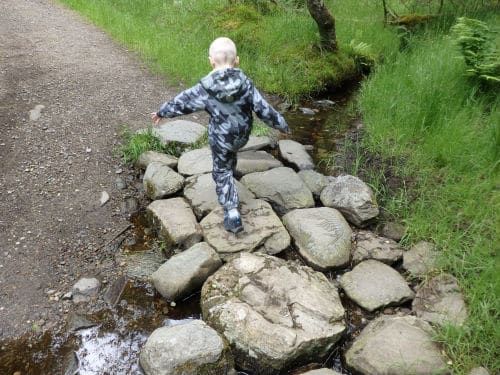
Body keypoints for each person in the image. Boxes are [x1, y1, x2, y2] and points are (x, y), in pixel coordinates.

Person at [152, 37, 290, 234]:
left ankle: (232, 213)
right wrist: (281, 125)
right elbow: (263, 108)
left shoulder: (206, 88)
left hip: (221, 138)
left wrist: (162, 111)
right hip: (242, 136)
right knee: (230, 156)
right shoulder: (246, 84)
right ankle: (230, 170)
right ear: (237, 61)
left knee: (221, 170)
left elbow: (183, 101)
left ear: (211, 61)